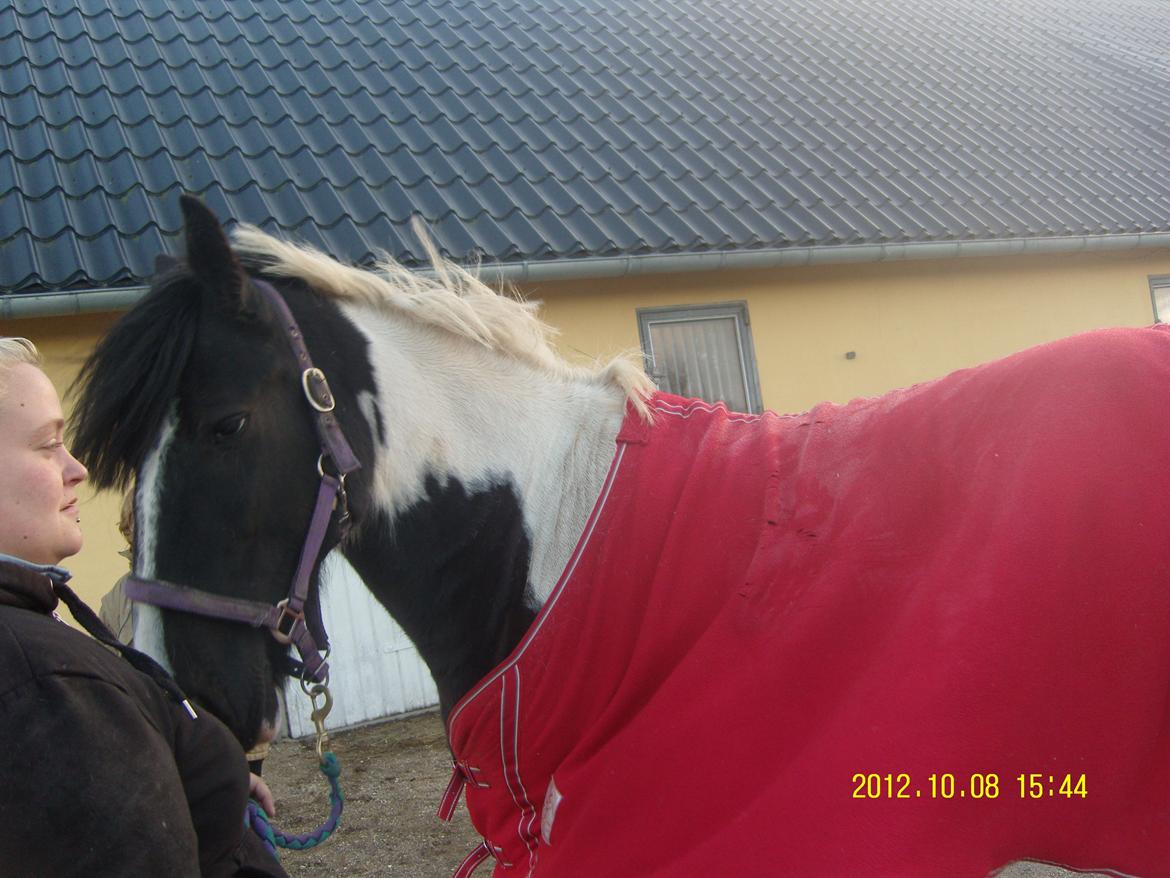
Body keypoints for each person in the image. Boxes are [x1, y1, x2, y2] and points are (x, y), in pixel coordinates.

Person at [0, 337, 287, 877]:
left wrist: (183, 767)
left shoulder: (39, 622)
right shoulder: (41, 687)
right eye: (47, 445)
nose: (77, 468)